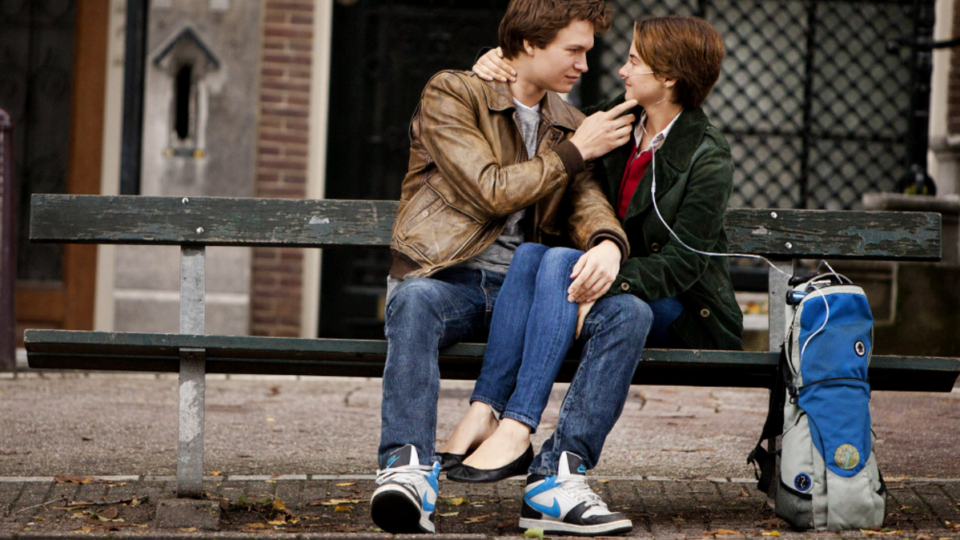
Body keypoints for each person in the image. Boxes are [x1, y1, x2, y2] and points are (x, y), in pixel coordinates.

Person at [445, 15, 744, 535]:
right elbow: (544, 111)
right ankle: (502, 424)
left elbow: (684, 264)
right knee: (534, 256)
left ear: (669, 77)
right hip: (603, 288)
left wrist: (608, 282)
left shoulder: (706, 154)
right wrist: (495, 66)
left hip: (679, 306)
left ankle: (531, 440)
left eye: (633, 61)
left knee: (613, 300)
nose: (621, 70)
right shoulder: (615, 120)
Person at [371, 0, 641, 534]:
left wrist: (608, 242)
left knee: (628, 314)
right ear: (529, 44)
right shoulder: (454, 94)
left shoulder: (570, 124)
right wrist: (575, 152)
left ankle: (557, 477)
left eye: (587, 51)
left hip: (530, 291)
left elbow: (587, 203)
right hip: (452, 282)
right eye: (574, 50)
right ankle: (407, 470)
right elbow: (489, 189)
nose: (585, 65)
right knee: (414, 299)